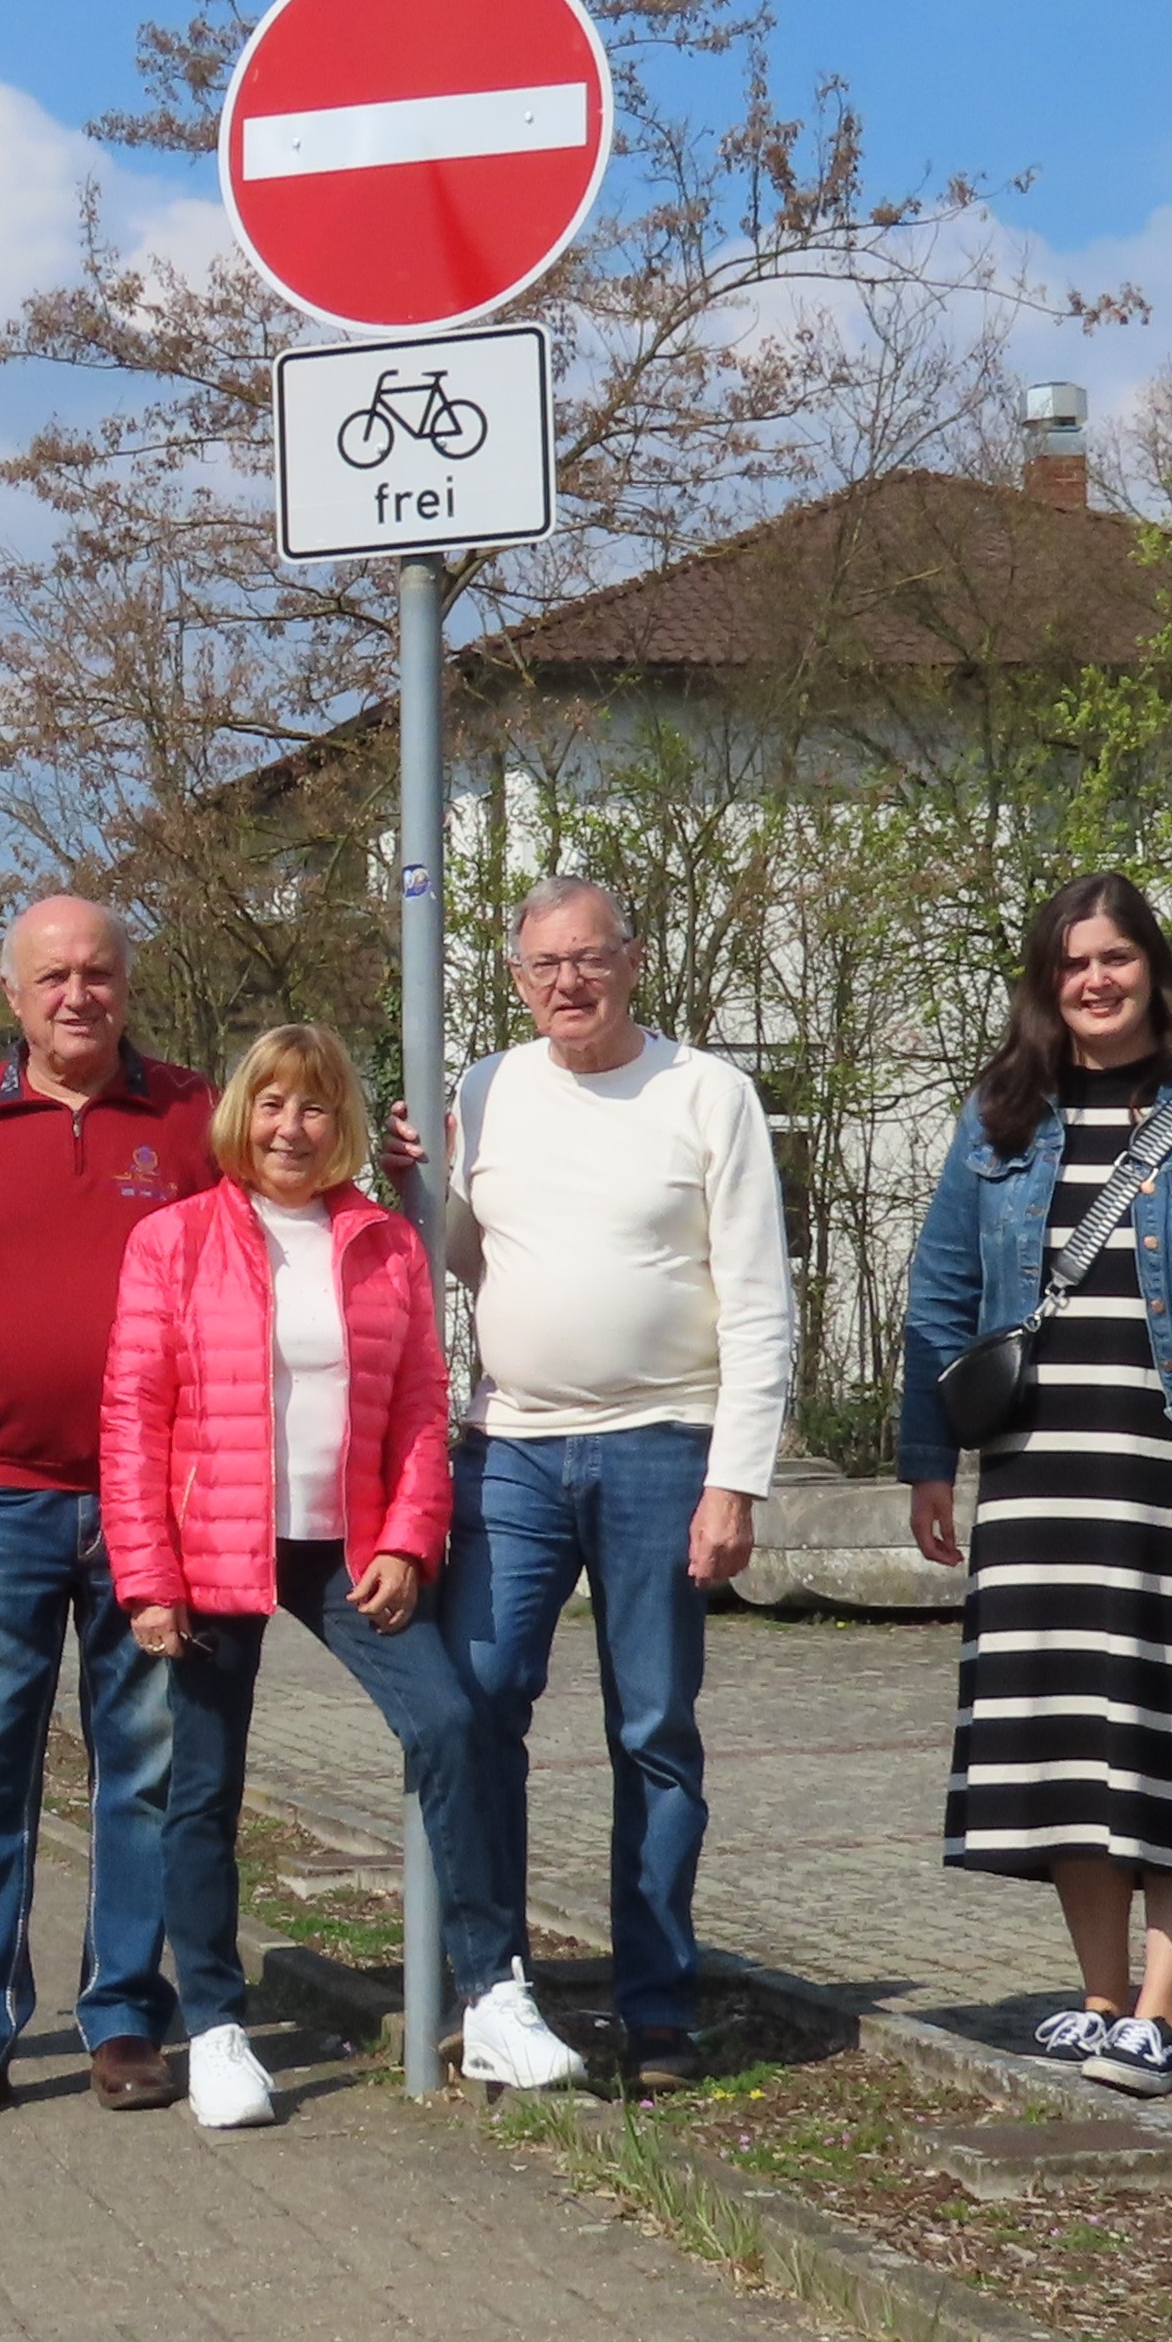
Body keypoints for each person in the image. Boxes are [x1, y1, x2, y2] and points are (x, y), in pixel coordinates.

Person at [102, 1023, 586, 2129]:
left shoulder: (379, 1242)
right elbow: (131, 1418)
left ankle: (494, 1995)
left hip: (344, 1547)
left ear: (342, 1125)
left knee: (452, 1724)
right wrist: (148, 1577)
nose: (290, 1127)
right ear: (241, 1114)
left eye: (314, 1107)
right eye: (271, 1104)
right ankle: (217, 2028)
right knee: (203, 1784)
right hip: (213, 1545)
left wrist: (410, 1541)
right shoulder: (174, 1241)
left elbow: (420, 1403)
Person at [899, 874, 1172, 2098]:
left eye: (1116, 959)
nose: (1095, 981)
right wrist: (928, 1456)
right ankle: (1094, 1994)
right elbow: (936, 1298)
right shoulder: (1000, 1114)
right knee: (1073, 1739)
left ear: (1153, 968)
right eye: (1072, 963)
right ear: (1044, 982)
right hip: (1037, 1475)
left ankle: (1163, 2005)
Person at [426, 874, 795, 2093]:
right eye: (542, 966)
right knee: (475, 1703)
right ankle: (497, 1986)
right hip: (513, 1448)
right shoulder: (483, 1088)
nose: (567, 985)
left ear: (632, 962)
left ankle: (654, 2008)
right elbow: (464, 1256)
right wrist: (413, 1182)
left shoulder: (707, 1094)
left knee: (652, 1731)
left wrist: (734, 1478)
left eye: (589, 960)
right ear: (517, 976)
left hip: (660, 1446)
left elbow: (756, 1296)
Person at [0, 896, 220, 2128]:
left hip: (151, 1505)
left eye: (98, 973)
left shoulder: (192, 1115)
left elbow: (268, 1243)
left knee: (140, 1769)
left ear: (128, 984)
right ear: (12, 997)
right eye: (52, 977)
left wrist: (397, 1164)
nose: (76, 994)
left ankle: (124, 2012)